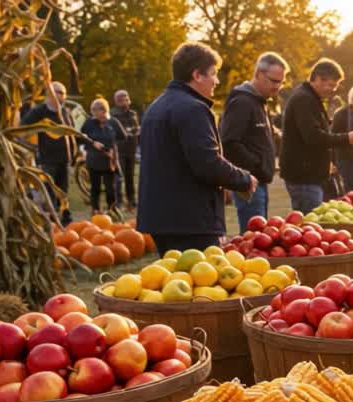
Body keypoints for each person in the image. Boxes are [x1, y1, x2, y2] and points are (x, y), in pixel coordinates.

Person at [137, 42, 255, 252]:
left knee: (175, 279)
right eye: (213, 73)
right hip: (190, 219)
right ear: (197, 75)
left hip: (162, 218)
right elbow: (207, 163)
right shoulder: (193, 109)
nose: (216, 81)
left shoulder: (156, 106)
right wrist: (244, 179)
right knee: (202, 281)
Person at [281, 58, 353, 212]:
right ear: (318, 79)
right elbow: (313, 136)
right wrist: (347, 138)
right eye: (331, 85)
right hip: (304, 177)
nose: (333, 90)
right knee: (312, 223)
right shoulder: (303, 99)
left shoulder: (311, 98)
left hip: (309, 175)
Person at [219, 52, 288, 228]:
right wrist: (256, 166)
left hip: (260, 182)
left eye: (281, 82)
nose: (278, 86)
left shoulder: (260, 102)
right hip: (249, 183)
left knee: (261, 234)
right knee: (253, 236)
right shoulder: (242, 102)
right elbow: (229, 142)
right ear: (258, 74)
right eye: (273, 81)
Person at [21, 81, 77, 225]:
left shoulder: (65, 111)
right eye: (56, 92)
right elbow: (22, 128)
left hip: (64, 159)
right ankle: (53, 220)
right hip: (47, 159)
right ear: (49, 94)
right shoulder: (40, 111)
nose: (60, 95)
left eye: (62, 93)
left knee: (63, 191)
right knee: (50, 191)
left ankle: (65, 218)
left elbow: (71, 133)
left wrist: (74, 152)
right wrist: (30, 146)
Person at [80, 98, 127, 214]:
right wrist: (92, 143)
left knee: (110, 189)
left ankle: (111, 209)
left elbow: (123, 137)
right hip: (93, 160)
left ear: (104, 110)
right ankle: (95, 210)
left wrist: (113, 148)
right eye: (93, 112)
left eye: (97, 112)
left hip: (109, 161)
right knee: (95, 188)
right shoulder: (89, 123)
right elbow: (80, 137)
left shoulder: (113, 122)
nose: (95, 115)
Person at [111, 90, 140, 210]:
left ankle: (131, 200)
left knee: (130, 176)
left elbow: (135, 128)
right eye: (122, 99)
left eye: (127, 98)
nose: (125, 101)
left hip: (131, 149)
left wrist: (136, 130)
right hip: (119, 150)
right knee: (119, 177)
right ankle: (118, 202)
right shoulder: (113, 115)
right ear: (117, 101)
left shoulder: (133, 114)